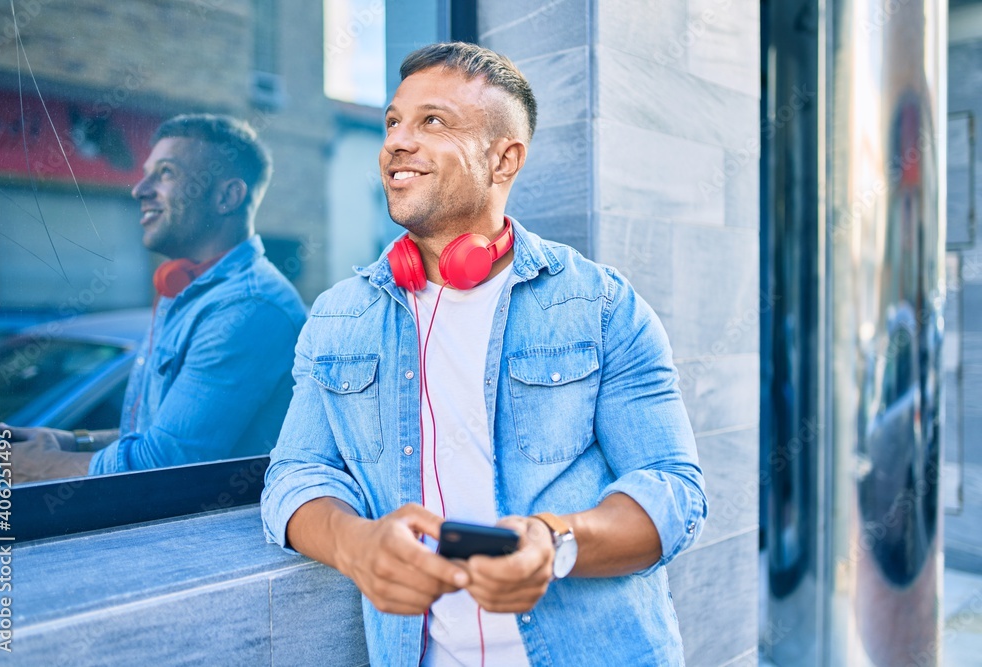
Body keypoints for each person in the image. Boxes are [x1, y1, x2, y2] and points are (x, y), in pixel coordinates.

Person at [262, 43, 707, 666]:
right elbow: (295, 475)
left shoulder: (602, 306)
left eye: (432, 121)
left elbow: (674, 490)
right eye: (393, 122)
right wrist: (353, 544)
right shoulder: (338, 316)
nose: (397, 141)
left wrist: (556, 545)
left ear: (505, 159)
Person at [0, 114, 307, 482]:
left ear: (227, 196)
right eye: (147, 172)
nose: (139, 189)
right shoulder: (194, 292)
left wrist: (45, 466)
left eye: (165, 173)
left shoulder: (249, 308)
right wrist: (70, 442)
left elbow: (166, 463)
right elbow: (157, 432)